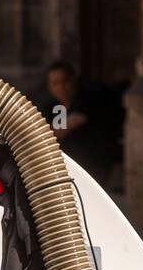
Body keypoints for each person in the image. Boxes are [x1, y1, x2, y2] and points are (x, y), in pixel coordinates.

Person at [40, 60, 124, 189]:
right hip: (68, 170)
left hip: (96, 166)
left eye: (65, 81)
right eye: (56, 83)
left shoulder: (89, 98)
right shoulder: (53, 107)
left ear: (73, 80)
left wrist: (45, 132)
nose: (61, 87)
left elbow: (63, 128)